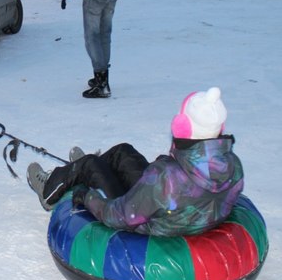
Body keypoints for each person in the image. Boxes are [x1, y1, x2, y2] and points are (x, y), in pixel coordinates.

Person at [27, 87, 244, 236]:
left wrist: (88, 197)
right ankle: (91, 171)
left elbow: (117, 216)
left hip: (147, 226)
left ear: (183, 127)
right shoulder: (234, 167)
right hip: (176, 206)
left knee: (89, 164)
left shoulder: (164, 178)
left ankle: (50, 190)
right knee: (123, 152)